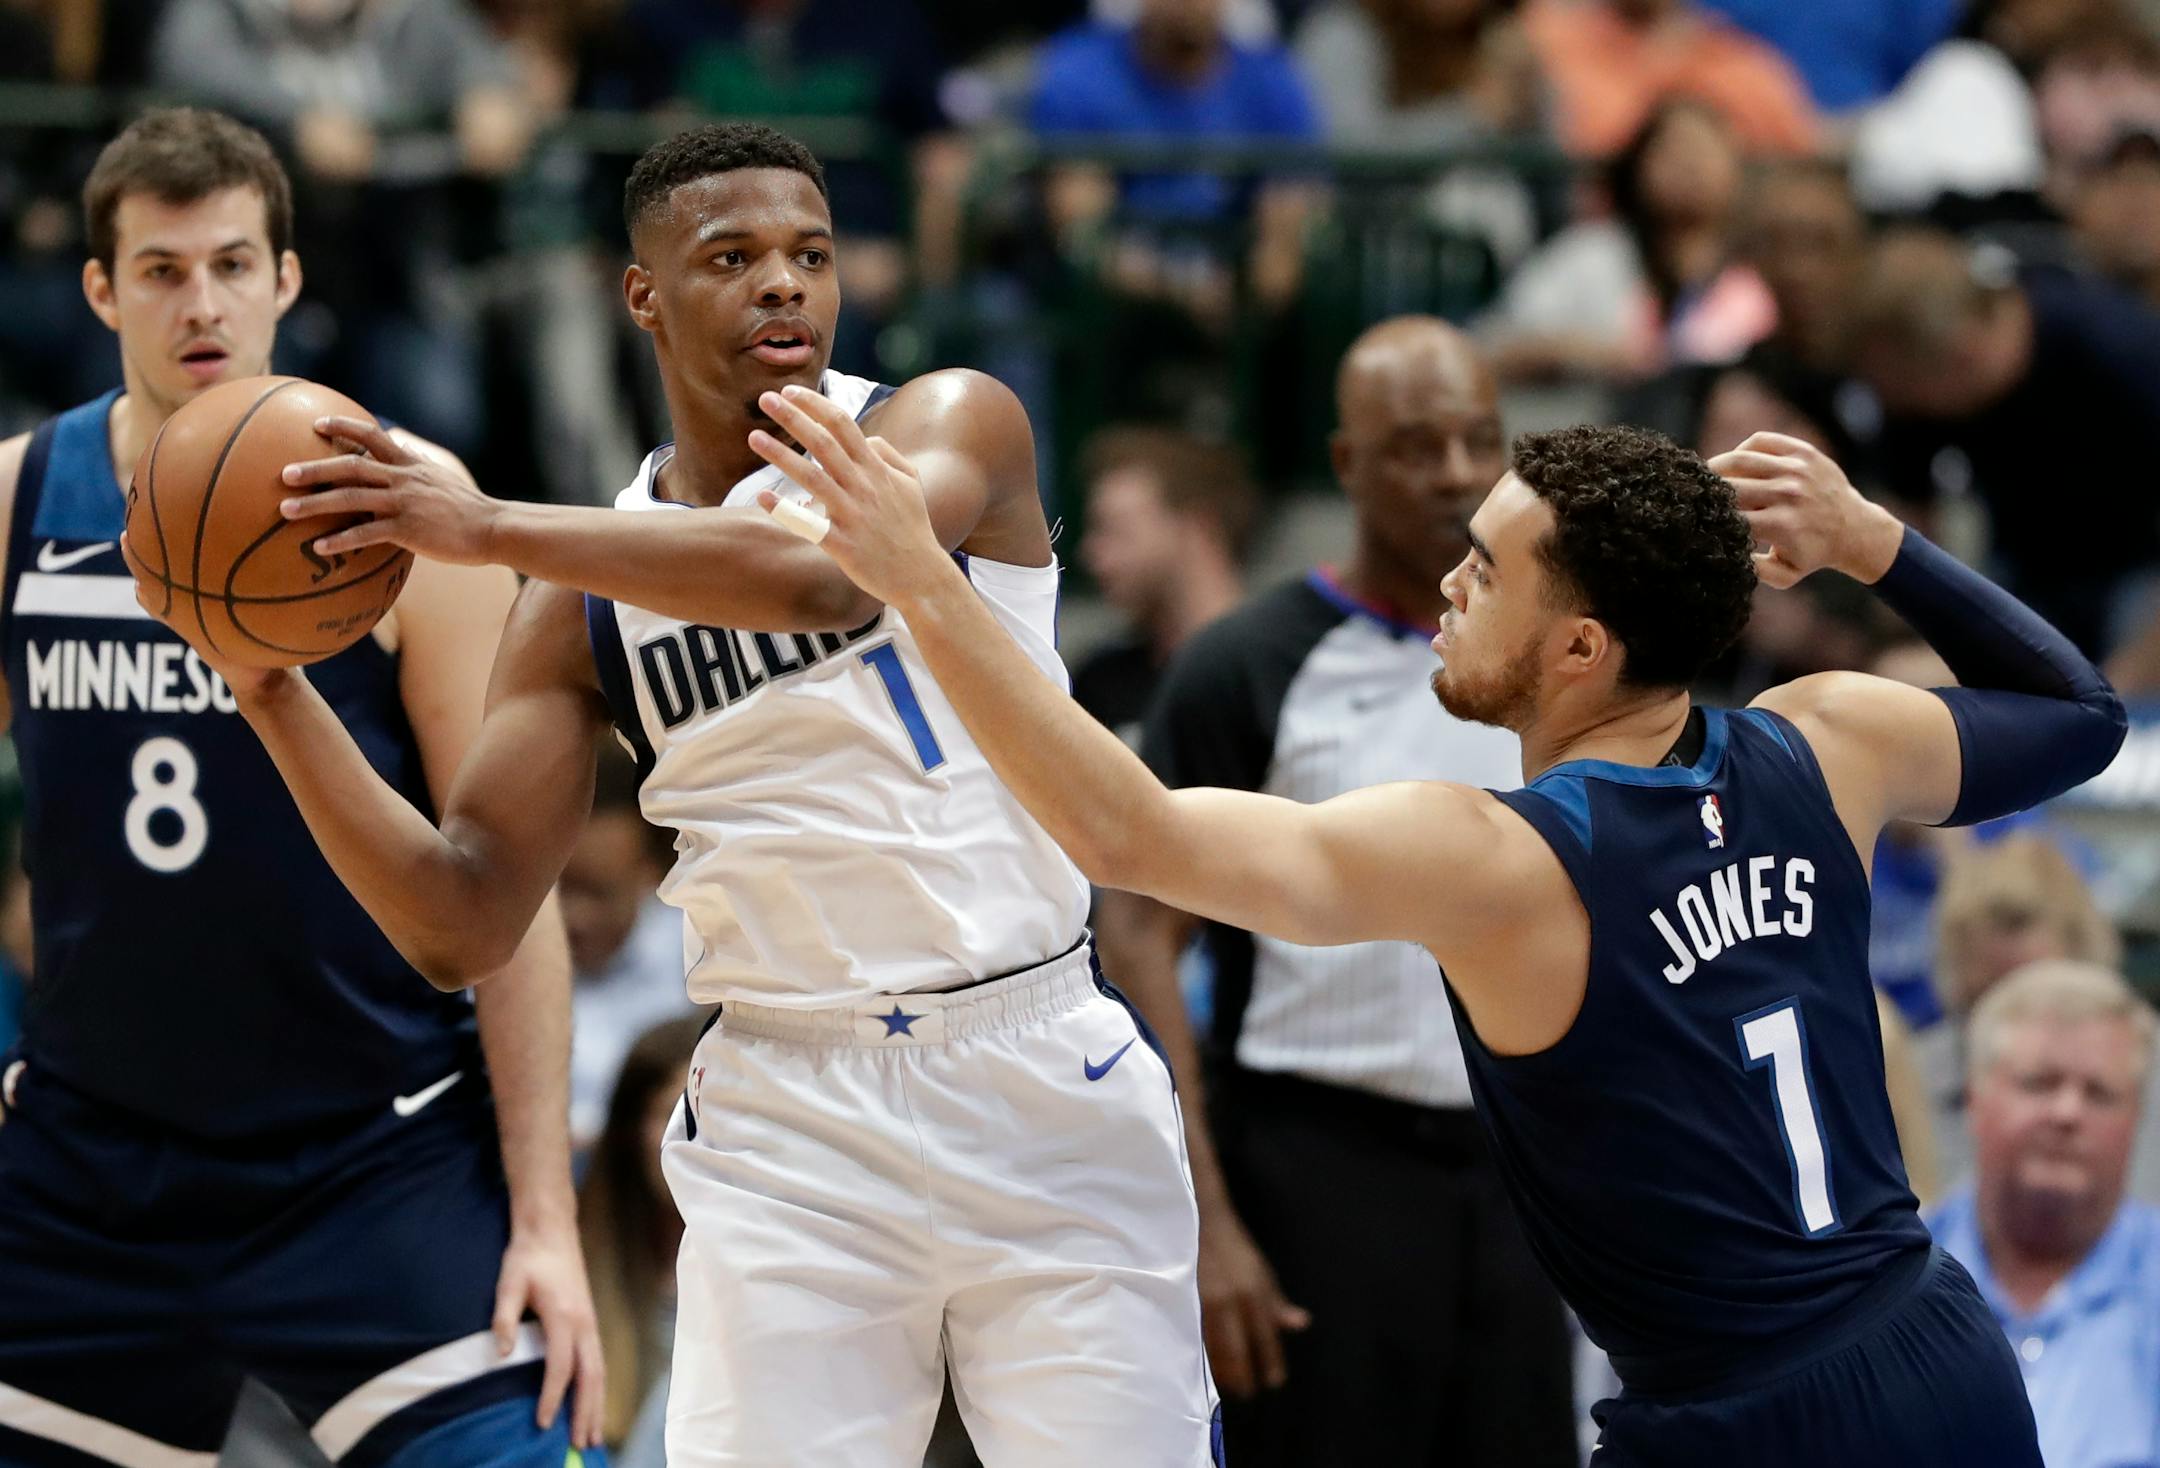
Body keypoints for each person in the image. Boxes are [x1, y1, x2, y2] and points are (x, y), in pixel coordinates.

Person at [142, 122, 1217, 1467]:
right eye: (734, 256)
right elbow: (460, 919)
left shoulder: (942, 422)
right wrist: (272, 695)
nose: (785, 285)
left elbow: (828, 576)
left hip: (1038, 1062)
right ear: (641, 294)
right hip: (791, 1119)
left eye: (810, 255)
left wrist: (481, 527)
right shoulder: (574, 603)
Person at [781, 402, 2133, 1463]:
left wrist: (925, 584)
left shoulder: (1502, 859)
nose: (1449, 582)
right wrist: (1876, 544)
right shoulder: (1833, 741)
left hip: (1738, 1417)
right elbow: (2082, 715)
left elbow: (1130, 836)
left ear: (1583, 650)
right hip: (1935, 1353)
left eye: (1488, 572)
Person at [0, 108, 602, 1464]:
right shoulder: (22, 498)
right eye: (160, 270)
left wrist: (547, 1222)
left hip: (371, 1159)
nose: (199, 303)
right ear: (101, 291)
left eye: (230, 264)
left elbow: (507, 889)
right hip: (91, 1170)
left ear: (286, 279)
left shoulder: (414, 503)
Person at [1099, 317, 1573, 1467]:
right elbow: (1136, 929)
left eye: (1478, 439)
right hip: (1316, 1170)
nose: (1458, 472)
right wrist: (1206, 1223)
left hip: (1528, 1165)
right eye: (1416, 446)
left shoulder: (1561, 658)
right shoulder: (1250, 661)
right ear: (1347, 465)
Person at [1850, 228, 2160, 658]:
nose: (1894, 405)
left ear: (1960, 358)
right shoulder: (1914, 390)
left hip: (2140, 566)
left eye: (1901, 391)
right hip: (2031, 568)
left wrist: (2126, 686)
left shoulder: (2117, 349)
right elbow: (1903, 525)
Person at [1928, 960, 2160, 1468]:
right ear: (1974, 1099)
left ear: (2137, 1118)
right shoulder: (1890, 1281)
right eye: (2039, 1083)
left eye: (2099, 1093)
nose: (2067, 1113)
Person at [1070, 424, 1252, 746]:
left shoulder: (1271, 672)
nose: (1090, 552)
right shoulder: (1100, 682)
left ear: (1196, 527)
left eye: (1113, 529)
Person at [580, 1014, 707, 1460]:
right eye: (675, 1113)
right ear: (629, 1132)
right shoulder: (575, 1273)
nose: (697, 1140)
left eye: (719, 1112)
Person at [563, 751, 694, 1151]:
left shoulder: (699, 958)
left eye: (599, 893)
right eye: (559, 889)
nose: (575, 917)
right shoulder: (491, 957)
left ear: (648, 874)